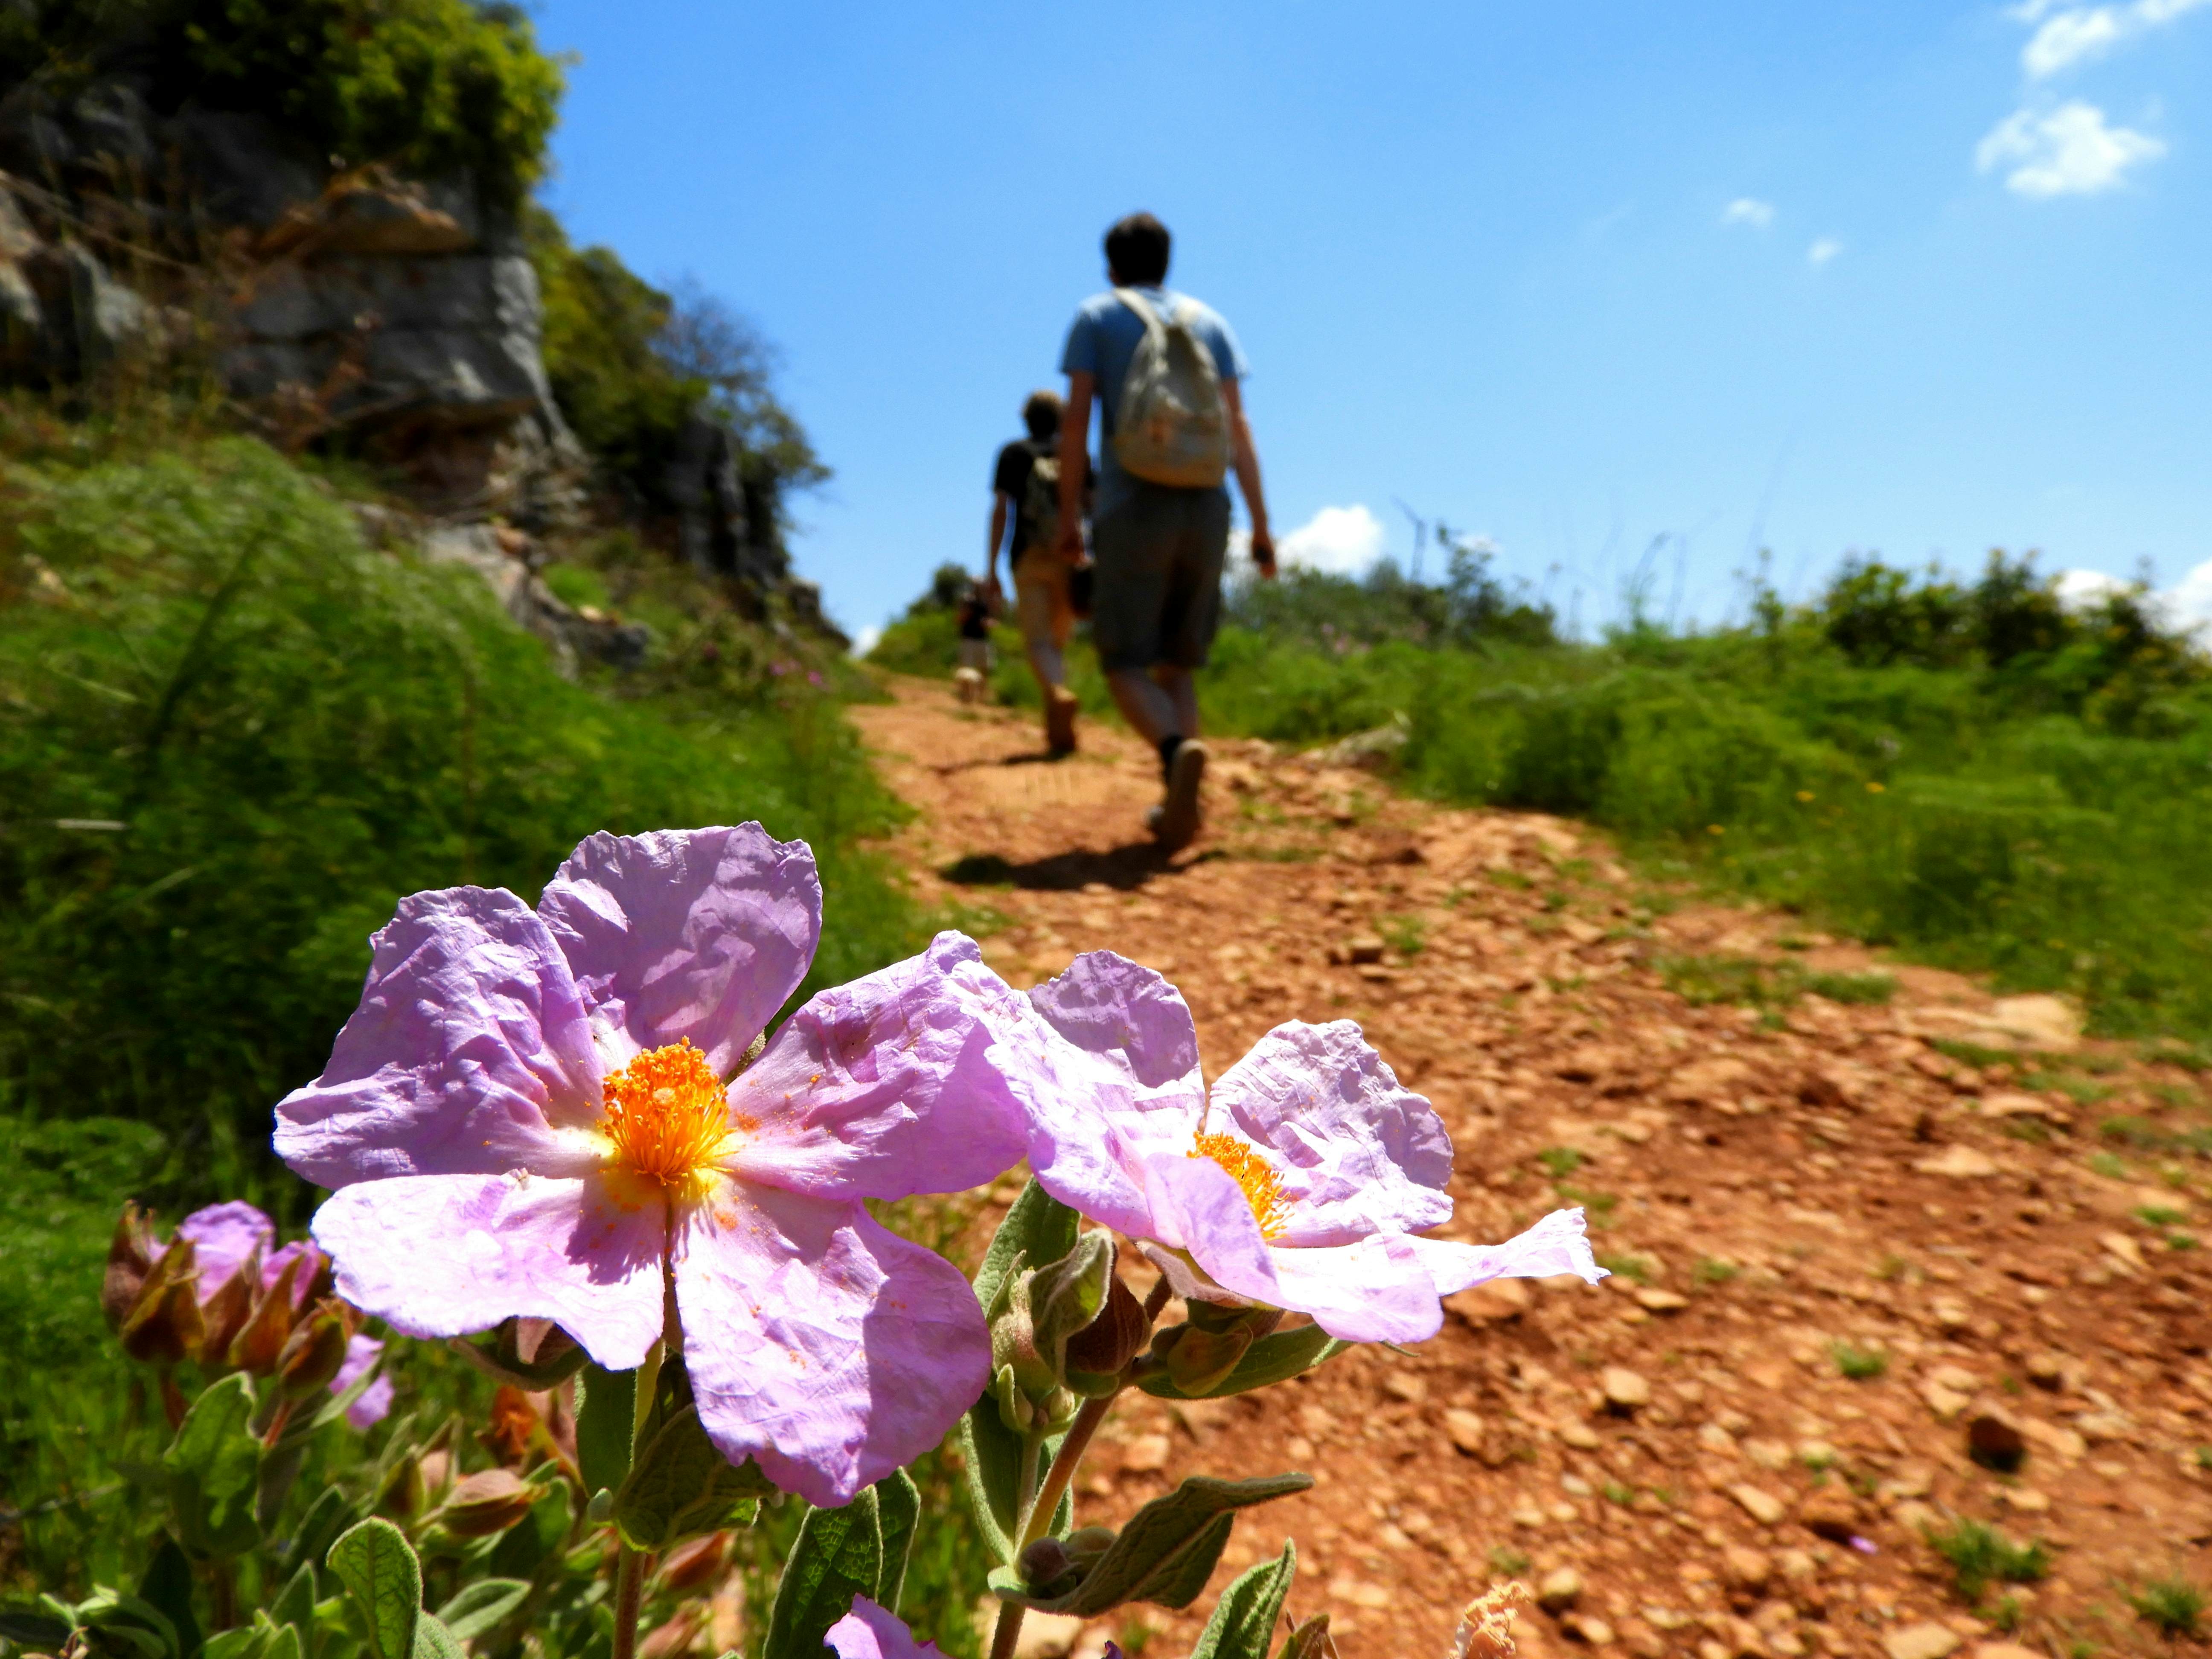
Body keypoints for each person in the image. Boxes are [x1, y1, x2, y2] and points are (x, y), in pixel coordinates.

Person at [1055, 212, 1275, 851]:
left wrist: (1072, 520)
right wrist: (1262, 526)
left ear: (1112, 265)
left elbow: (1075, 427)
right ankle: (1187, 803)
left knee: (1125, 660)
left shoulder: (1097, 317)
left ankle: (1178, 753)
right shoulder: (1211, 323)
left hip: (1134, 506)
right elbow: (1239, 428)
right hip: (1208, 507)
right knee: (1179, 664)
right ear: (1168, 260)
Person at [986, 390, 1090, 753]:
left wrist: (991, 569)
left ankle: (1058, 697)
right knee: (1058, 642)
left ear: (1026, 419)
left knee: (1038, 641)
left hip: (1027, 555)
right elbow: (1093, 507)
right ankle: (1058, 730)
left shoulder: (1012, 454)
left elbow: (1001, 510)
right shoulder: (1075, 454)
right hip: (1069, 554)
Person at [952, 579, 992, 704]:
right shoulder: (967, 601)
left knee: (984, 669)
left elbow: (989, 619)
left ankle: (981, 697)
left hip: (982, 640)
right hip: (969, 639)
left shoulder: (984, 604)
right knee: (966, 670)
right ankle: (966, 697)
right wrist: (966, 613)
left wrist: (989, 623)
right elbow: (959, 618)